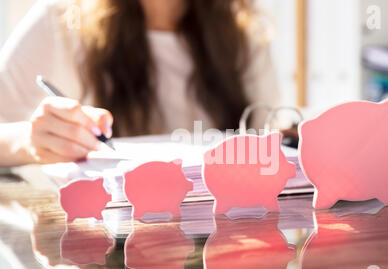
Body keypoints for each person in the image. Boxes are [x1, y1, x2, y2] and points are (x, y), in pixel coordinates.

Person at [0, 0, 280, 166]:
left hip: (222, 244)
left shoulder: (243, 37)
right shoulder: (61, 20)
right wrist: (30, 141)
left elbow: (269, 143)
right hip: (105, 250)